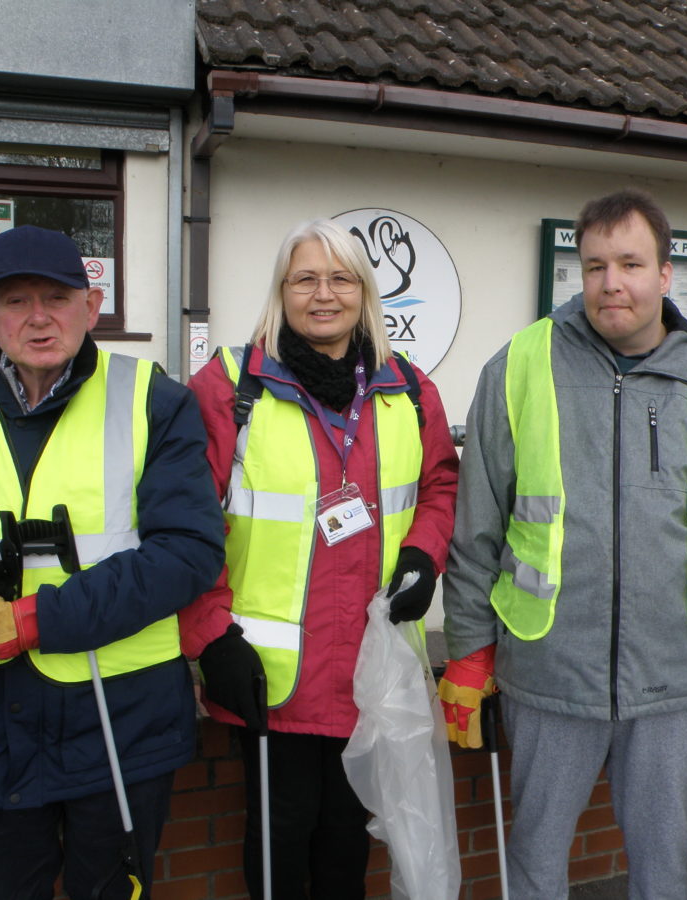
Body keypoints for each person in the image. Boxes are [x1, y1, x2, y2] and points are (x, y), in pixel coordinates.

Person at [0, 226, 226, 899]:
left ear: (93, 304)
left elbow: (187, 553)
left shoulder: (156, 405)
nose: (39, 316)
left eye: (58, 297)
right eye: (15, 300)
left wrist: (35, 619)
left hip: (118, 723)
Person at [438, 188, 687, 899]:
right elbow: (476, 529)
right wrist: (469, 653)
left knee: (662, 874)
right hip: (547, 671)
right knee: (533, 864)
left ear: (664, 275)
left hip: (673, 680)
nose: (610, 282)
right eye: (593, 266)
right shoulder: (520, 365)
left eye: (629, 263)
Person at [179, 219, 458, 899]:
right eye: (305, 278)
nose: (323, 294)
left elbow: (440, 485)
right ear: (281, 292)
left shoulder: (410, 389)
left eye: (341, 279)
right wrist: (210, 637)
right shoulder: (227, 389)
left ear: (365, 292)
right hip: (271, 678)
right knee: (278, 839)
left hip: (371, 668)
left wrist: (425, 552)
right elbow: (184, 521)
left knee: (345, 840)